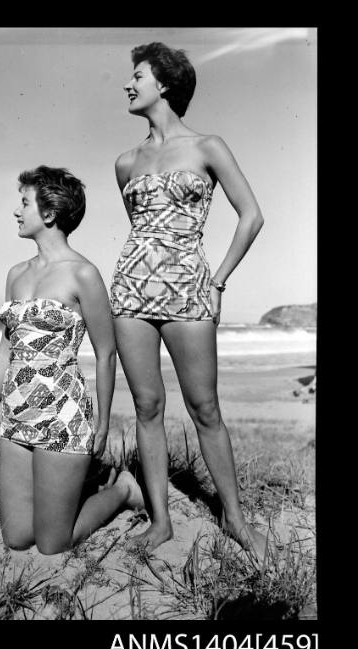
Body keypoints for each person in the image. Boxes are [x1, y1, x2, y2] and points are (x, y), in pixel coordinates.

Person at [110, 42, 268, 562]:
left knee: (205, 408)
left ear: (166, 84)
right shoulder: (125, 161)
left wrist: (217, 281)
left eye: (137, 76)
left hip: (189, 290)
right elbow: (142, 231)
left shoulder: (208, 146)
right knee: (147, 407)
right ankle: (161, 521)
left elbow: (251, 216)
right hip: (131, 291)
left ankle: (236, 520)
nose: (128, 85)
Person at [0, 165, 143, 554]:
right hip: (18, 416)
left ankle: (121, 489)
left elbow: (106, 353)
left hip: (63, 417)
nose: (17, 212)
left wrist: (102, 423)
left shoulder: (84, 274)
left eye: (24, 203)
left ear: (49, 213)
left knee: (53, 544)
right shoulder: (16, 274)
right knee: (18, 538)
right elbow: (7, 348)